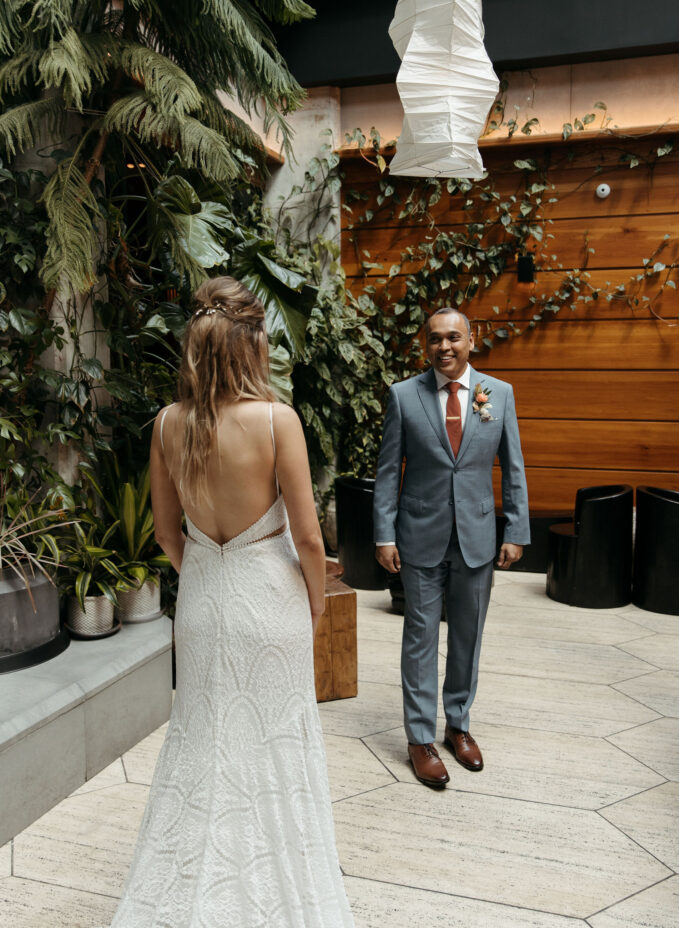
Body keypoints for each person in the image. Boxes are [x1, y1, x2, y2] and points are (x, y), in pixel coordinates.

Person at [109, 277, 354, 927]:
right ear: (251, 346)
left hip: (203, 605)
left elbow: (166, 533)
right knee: (274, 744)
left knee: (203, 739)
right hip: (270, 604)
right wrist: (315, 603)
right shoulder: (277, 421)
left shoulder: (168, 424)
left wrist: (212, 578)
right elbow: (306, 536)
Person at [373, 308, 530, 788]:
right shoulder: (404, 395)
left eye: (454, 337)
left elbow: (514, 466)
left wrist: (516, 530)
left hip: (479, 538)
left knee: (468, 635)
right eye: (436, 338)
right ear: (426, 344)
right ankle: (419, 739)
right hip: (418, 537)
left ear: (471, 340)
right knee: (420, 639)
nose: (445, 346)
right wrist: (384, 533)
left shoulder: (498, 395)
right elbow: (387, 471)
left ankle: (458, 726)